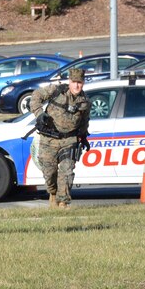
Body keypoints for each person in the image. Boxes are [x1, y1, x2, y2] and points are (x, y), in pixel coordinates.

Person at [29, 66, 91, 208]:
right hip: (48, 139)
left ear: (83, 83)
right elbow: (36, 96)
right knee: (49, 173)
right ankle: (53, 193)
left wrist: (83, 137)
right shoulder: (56, 91)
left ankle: (63, 203)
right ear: (69, 81)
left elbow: (84, 121)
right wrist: (39, 114)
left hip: (69, 140)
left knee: (67, 171)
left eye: (80, 82)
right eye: (74, 82)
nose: (77, 85)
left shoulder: (85, 102)